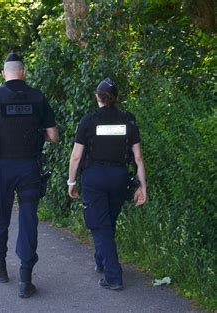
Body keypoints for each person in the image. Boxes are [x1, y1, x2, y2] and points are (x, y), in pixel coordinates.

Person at [0, 52, 58, 298]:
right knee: (29, 219)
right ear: (24, 72)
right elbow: (53, 136)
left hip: (1, 170)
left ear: (3, 73)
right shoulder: (38, 97)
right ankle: (26, 279)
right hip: (29, 168)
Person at [67, 77, 147, 290]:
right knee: (108, 221)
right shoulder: (128, 121)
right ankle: (101, 261)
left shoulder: (89, 121)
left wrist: (71, 181)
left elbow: (76, 157)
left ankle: (113, 276)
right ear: (116, 98)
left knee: (100, 225)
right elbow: (138, 158)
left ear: (97, 97)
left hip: (94, 178)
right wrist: (142, 186)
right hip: (119, 178)